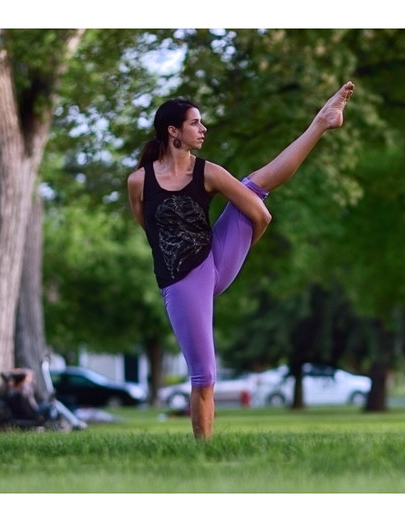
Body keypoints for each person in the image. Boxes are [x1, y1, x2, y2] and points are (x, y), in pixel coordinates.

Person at [126, 81, 355, 440]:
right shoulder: (139, 182)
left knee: (253, 187)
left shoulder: (209, 173)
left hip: (215, 260)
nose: (203, 129)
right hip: (183, 281)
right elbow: (149, 229)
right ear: (174, 131)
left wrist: (240, 244)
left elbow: (260, 216)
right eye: (195, 123)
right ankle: (204, 452)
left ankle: (322, 122)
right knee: (204, 374)